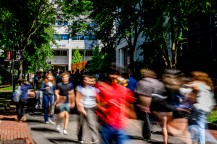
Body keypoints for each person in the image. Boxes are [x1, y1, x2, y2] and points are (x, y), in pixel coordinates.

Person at [96, 68, 136, 144]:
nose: (114, 76)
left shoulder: (123, 89)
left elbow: (129, 103)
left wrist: (130, 113)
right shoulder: (101, 87)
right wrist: (107, 103)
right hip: (107, 125)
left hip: (120, 126)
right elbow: (97, 105)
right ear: (107, 75)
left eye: (116, 74)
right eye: (112, 74)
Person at [135, 68, 165, 141]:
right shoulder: (159, 82)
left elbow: (137, 93)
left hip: (146, 104)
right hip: (158, 103)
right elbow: (163, 92)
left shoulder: (141, 82)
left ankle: (147, 135)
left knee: (146, 119)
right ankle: (150, 131)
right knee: (150, 119)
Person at [185, 71, 215, 144]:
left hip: (200, 108)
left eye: (192, 77)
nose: (191, 78)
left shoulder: (197, 84)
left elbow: (186, 88)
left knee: (198, 125)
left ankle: (201, 141)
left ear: (197, 77)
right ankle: (200, 140)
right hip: (207, 108)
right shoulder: (207, 86)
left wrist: (186, 85)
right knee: (201, 125)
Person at [75, 73, 99, 144]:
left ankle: (94, 140)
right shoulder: (79, 87)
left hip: (91, 108)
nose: (86, 81)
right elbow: (77, 99)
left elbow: (97, 99)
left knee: (92, 124)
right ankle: (80, 138)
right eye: (84, 79)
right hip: (82, 107)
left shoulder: (94, 88)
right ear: (82, 80)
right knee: (81, 125)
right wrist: (80, 108)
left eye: (87, 79)